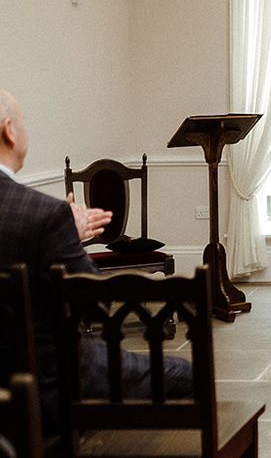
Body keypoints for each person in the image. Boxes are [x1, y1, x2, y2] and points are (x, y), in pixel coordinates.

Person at [0, 89, 193, 433]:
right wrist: (69, 235)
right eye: (25, 121)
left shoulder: (43, 216)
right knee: (186, 375)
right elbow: (97, 306)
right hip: (50, 390)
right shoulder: (44, 216)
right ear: (9, 131)